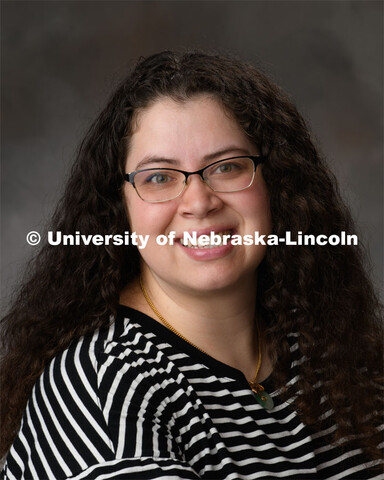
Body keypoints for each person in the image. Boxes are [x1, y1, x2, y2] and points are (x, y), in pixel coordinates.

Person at [1, 50, 383, 480]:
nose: (199, 202)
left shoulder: (333, 349)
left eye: (228, 167)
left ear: (276, 184)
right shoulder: (103, 389)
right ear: (119, 207)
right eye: (159, 177)